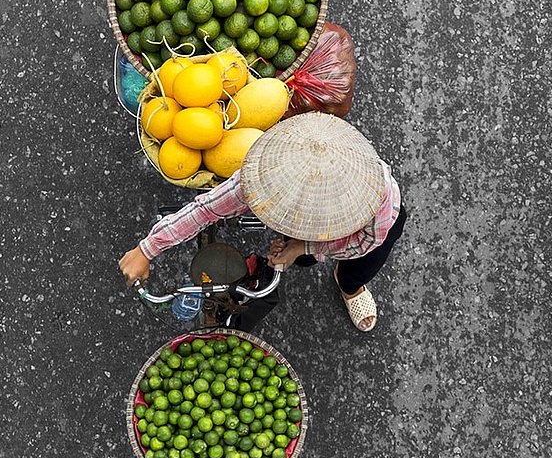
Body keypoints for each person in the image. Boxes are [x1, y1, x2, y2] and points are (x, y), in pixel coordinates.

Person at [118, 113, 406, 332]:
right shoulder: (264, 173)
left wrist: (304, 247)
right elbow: (204, 210)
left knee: (357, 270)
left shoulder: (377, 200)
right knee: (304, 259)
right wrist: (147, 249)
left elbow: (357, 244)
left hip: (367, 238)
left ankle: (349, 286)